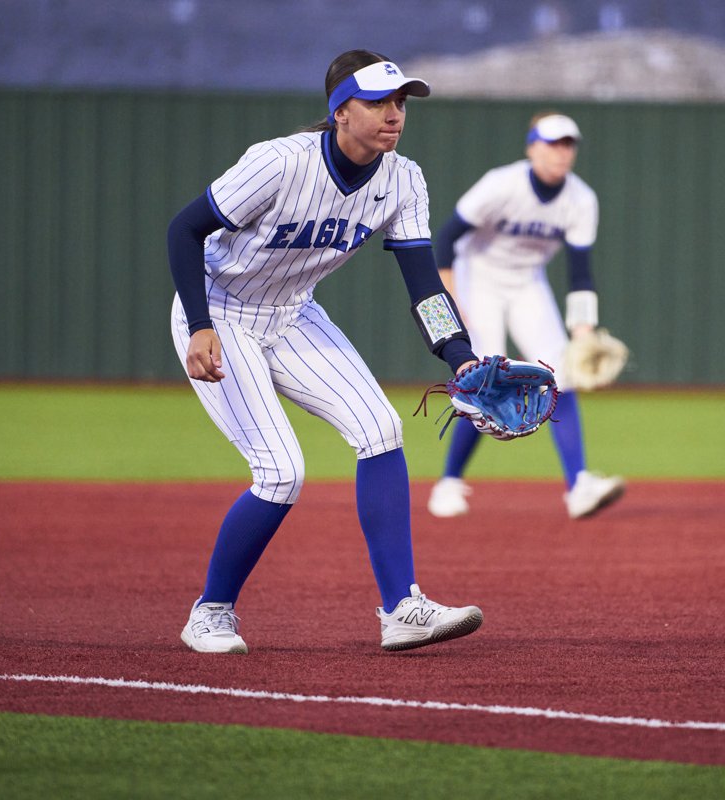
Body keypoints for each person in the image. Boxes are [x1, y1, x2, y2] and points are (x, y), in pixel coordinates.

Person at [167, 49, 490, 654]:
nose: (394, 114)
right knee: (281, 471)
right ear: (341, 112)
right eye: (378, 103)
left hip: (292, 313)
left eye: (401, 102)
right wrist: (201, 326)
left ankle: (402, 610)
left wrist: (460, 355)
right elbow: (183, 229)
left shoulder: (404, 178)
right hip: (219, 310)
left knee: (382, 427)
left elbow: (425, 283)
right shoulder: (279, 162)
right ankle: (210, 612)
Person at [427, 112, 625, 521]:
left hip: (526, 284)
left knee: (562, 374)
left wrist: (583, 330)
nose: (561, 152)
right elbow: (446, 237)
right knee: (485, 378)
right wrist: (450, 295)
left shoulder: (580, 200)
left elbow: (580, 270)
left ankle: (579, 487)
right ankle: (448, 483)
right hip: (476, 277)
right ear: (532, 147)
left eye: (568, 144)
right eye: (552, 143)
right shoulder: (502, 184)